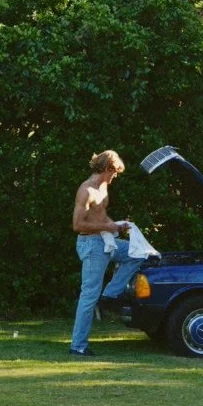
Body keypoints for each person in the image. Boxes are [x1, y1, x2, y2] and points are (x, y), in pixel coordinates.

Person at [69, 149, 145, 358]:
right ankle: (78, 346)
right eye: (115, 173)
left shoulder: (103, 187)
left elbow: (100, 218)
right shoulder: (86, 190)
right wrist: (112, 227)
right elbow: (78, 224)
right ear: (107, 168)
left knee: (138, 253)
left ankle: (110, 294)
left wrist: (116, 224)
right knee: (89, 295)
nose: (115, 177)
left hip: (105, 240)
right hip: (91, 244)